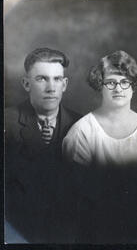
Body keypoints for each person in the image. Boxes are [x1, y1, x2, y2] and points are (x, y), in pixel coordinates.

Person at [62, 51, 137, 243]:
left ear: (134, 85)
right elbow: (77, 197)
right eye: (110, 82)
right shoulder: (82, 132)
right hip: (95, 231)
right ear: (99, 85)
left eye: (125, 81)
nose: (118, 88)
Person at [5, 48, 81, 243]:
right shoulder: (6, 122)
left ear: (64, 84)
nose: (51, 88)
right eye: (42, 79)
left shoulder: (81, 125)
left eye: (57, 79)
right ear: (26, 84)